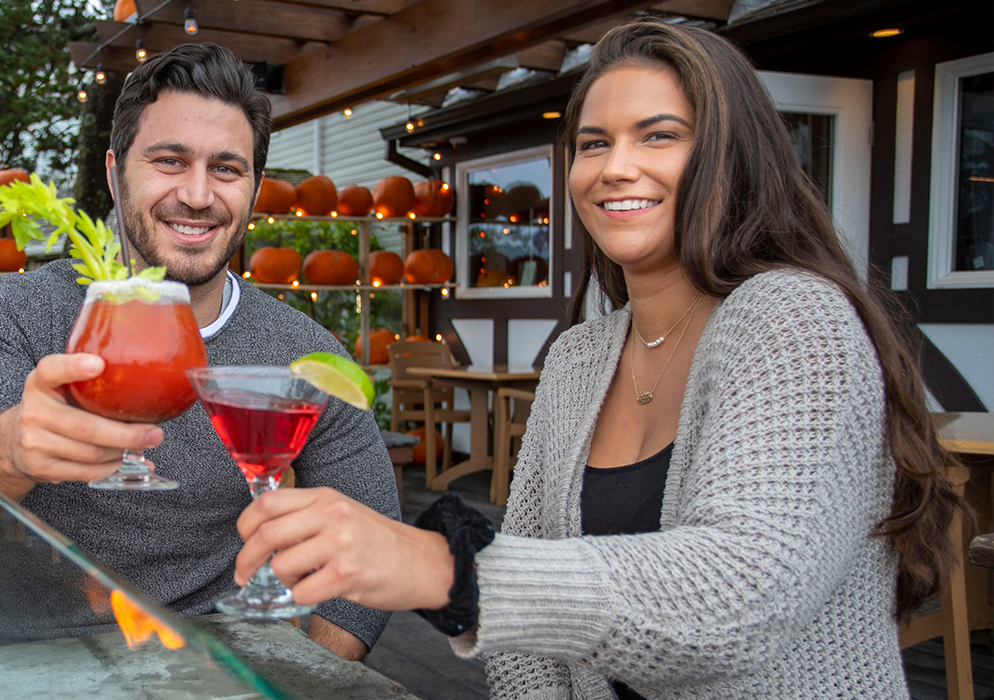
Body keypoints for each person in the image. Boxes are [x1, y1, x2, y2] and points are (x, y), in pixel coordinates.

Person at [231, 19, 969, 698]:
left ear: (728, 157)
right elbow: (525, 646)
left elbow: (742, 596)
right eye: (593, 143)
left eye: (658, 136)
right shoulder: (581, 358)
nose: (616, 167)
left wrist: (442, 566)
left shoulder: (796, 320)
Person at [0, 42, 399, 660]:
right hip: (9, 658)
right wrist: (9, 450)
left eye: (226, 169)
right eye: (169, 160)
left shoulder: (300, 354)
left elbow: (376, 537)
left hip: (203, 665)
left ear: (254, 188)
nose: (196, 194)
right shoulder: (22, 315)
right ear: (114, 171)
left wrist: (310, 675)